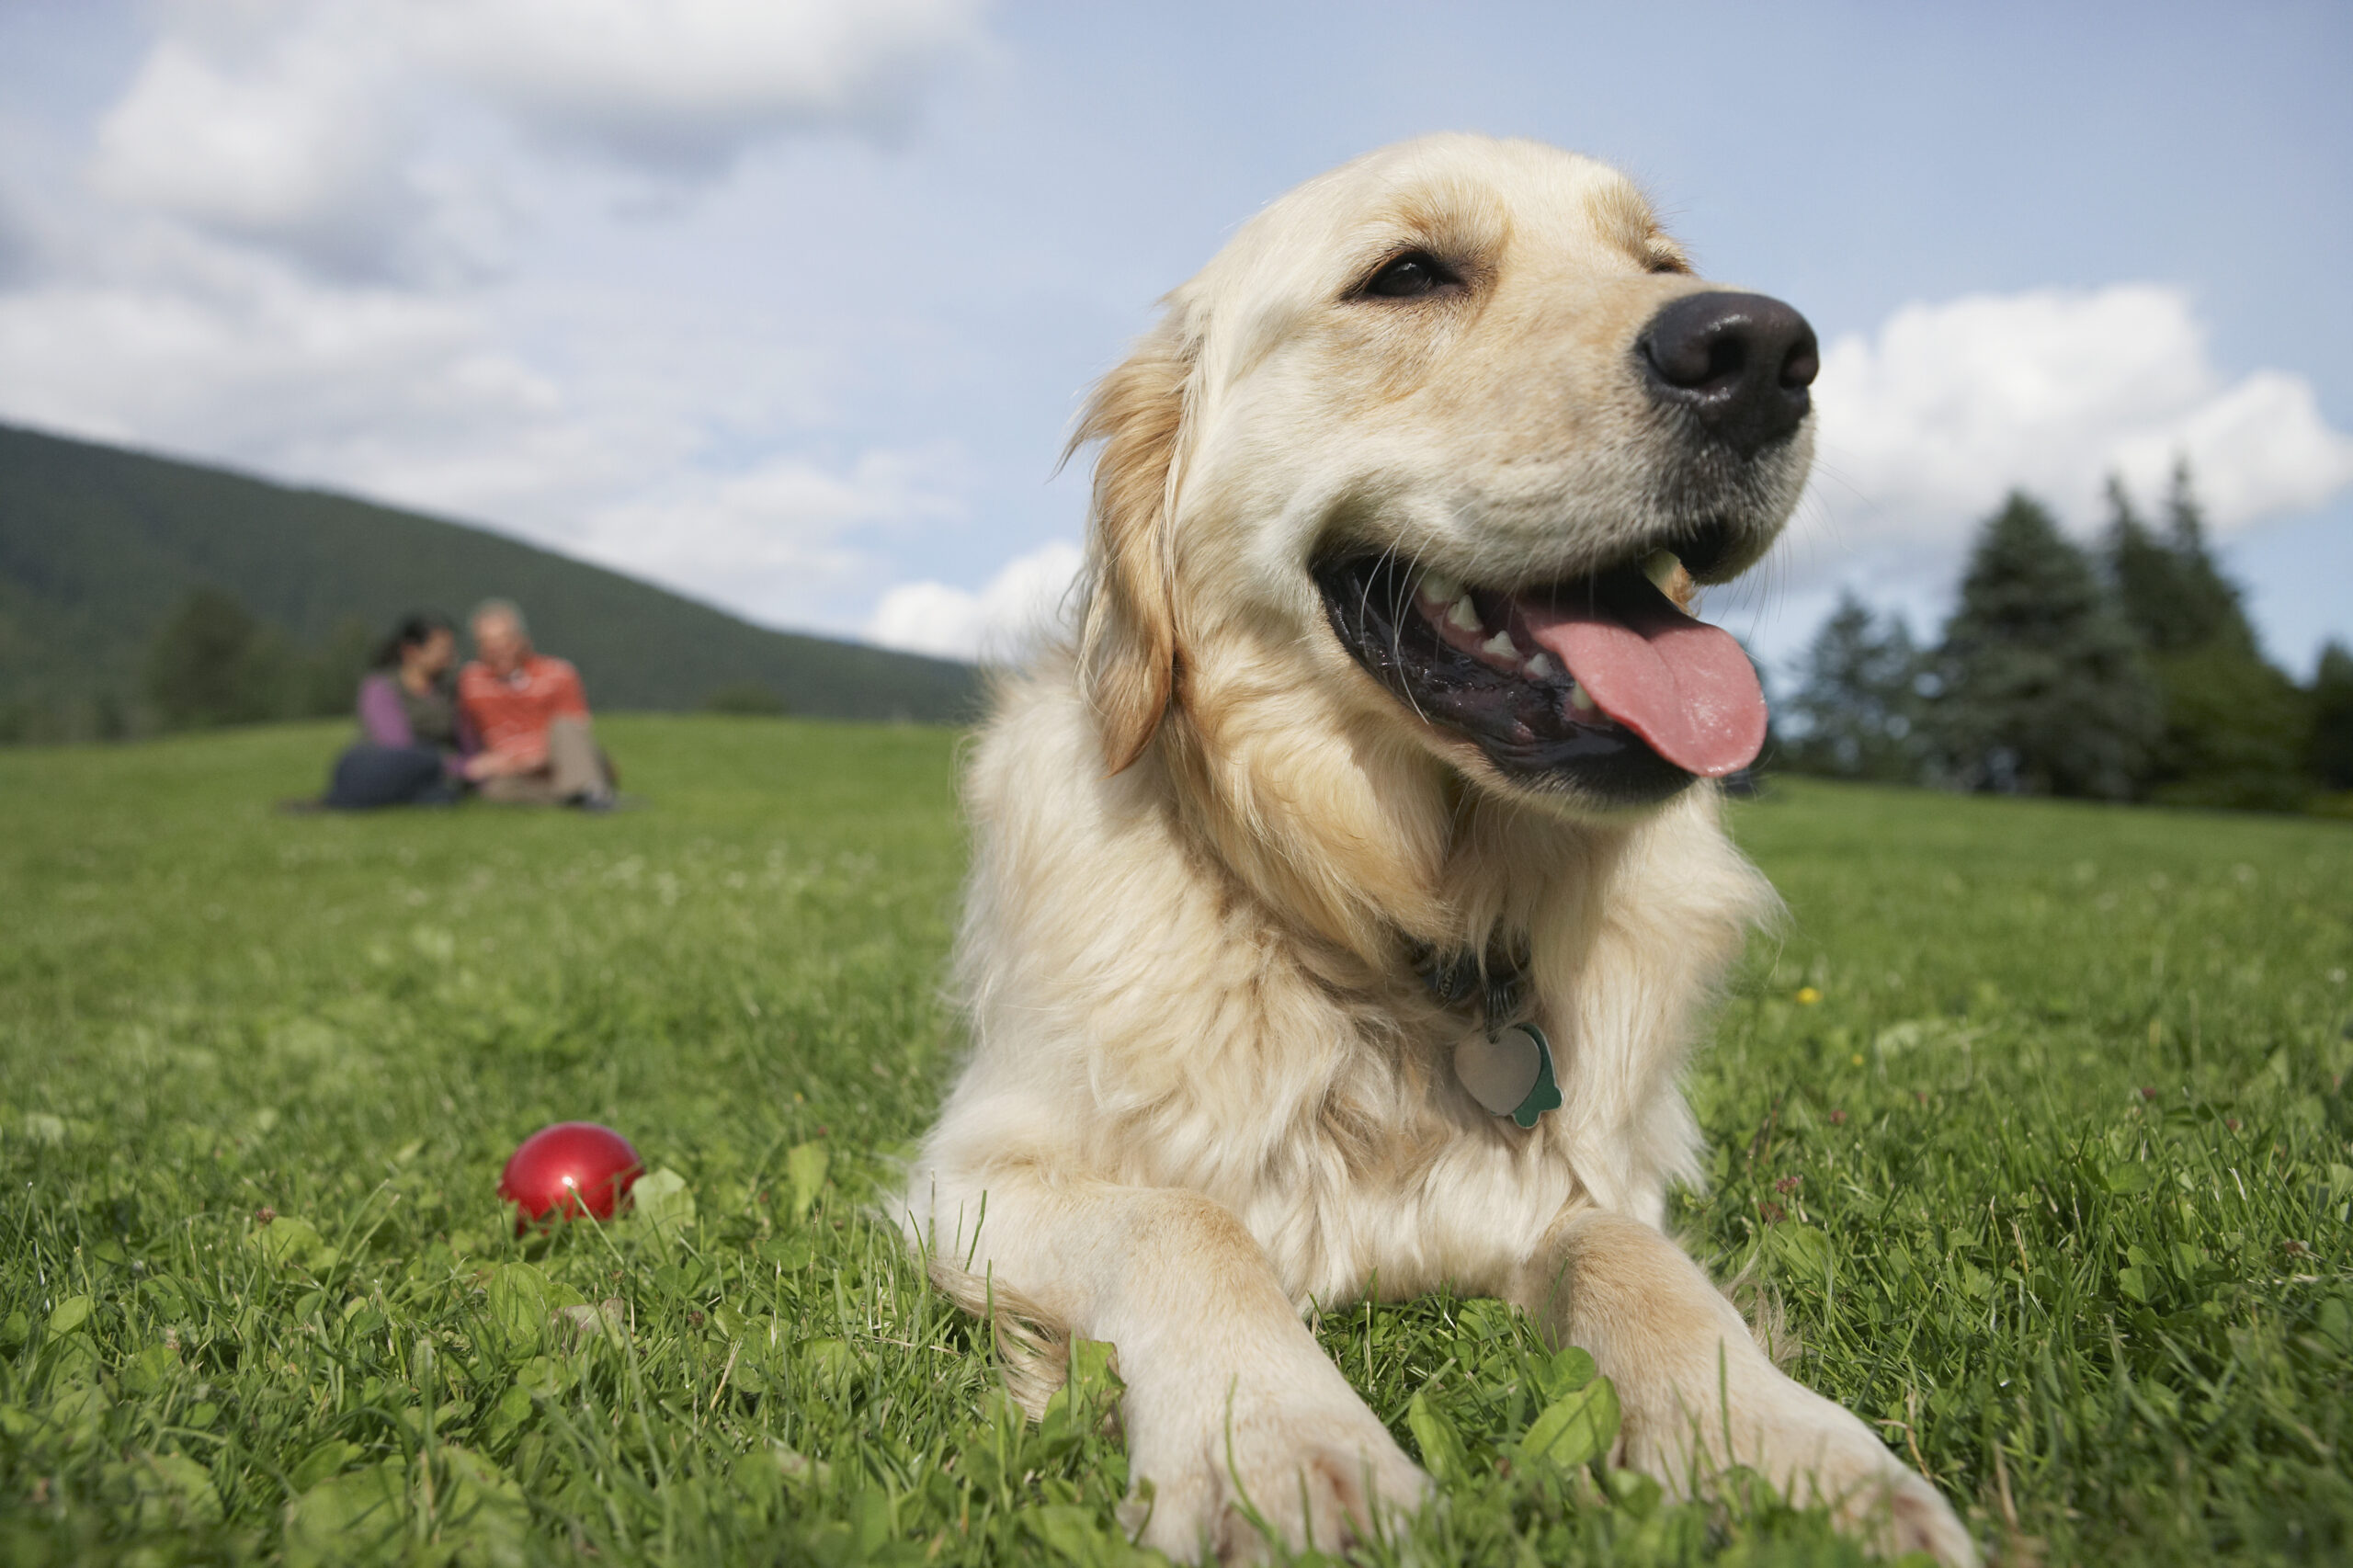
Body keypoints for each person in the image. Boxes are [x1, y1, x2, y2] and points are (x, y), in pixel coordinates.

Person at [456, 598, 616, 808]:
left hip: (557, 757)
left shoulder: (558, 673)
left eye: (505, 639)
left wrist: (533, 759)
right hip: (510, 769)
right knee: (495, 790)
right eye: (488, 643)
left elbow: (577, 728)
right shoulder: (470, 680)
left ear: (523, 639)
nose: (498, 648)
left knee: (565, 727)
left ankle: (585, 788)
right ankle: (581, 793)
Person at [319, 611, 477, 809]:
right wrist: (465, 768)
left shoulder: (450, 690)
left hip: (435, 774)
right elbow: (398, 745)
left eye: (451, 650)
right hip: (388, 769)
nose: (451, 658)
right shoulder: (380, 688)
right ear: (412, 651)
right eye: (442, 650)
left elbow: (466, 741)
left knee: (442, 798)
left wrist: (481, 768)